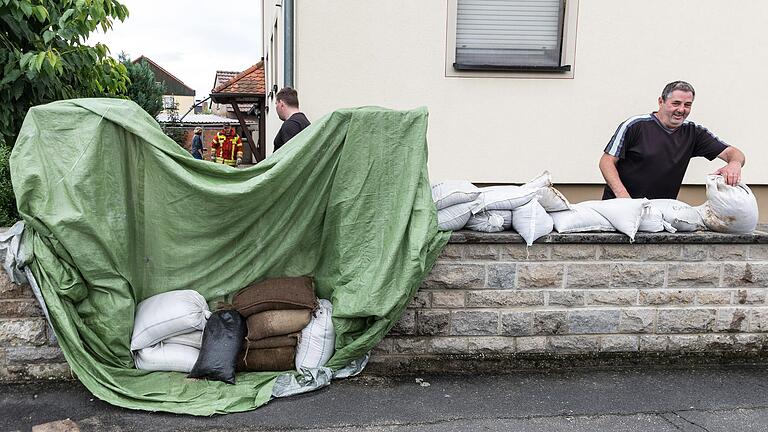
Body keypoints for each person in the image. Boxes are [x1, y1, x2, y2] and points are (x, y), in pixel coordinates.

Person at [599, 80, 746, 200]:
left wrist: (734, 164)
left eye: (687, 105)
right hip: (620, 208)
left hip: (660, 213)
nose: (682, 109)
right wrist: (623, 197)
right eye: (676, 103)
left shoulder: (694, 132)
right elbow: (606, 161)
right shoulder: (635, 125)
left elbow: (733, 153)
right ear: (661, 101)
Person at [273, 87, 310, 152]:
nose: (276, 108)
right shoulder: (304, 121)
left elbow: (291, 157)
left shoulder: (290, 125)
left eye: (276, 104)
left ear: (281, 104)